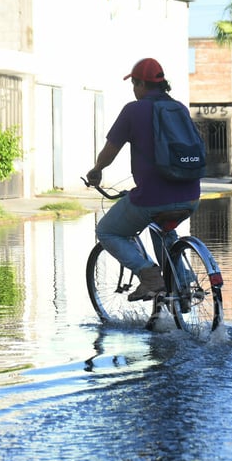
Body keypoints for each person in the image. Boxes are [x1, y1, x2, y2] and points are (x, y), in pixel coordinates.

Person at [86, 58, 201, 301]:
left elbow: (110, 151)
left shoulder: (133, 110)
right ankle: (182, 282)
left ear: (139, 84)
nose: (134, 90)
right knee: (163, 230)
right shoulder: (179, 108)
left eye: (134, 85)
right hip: (191, 196)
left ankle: (149, 276)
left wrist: (96, 170)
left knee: (106, 231)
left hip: (152, 199)